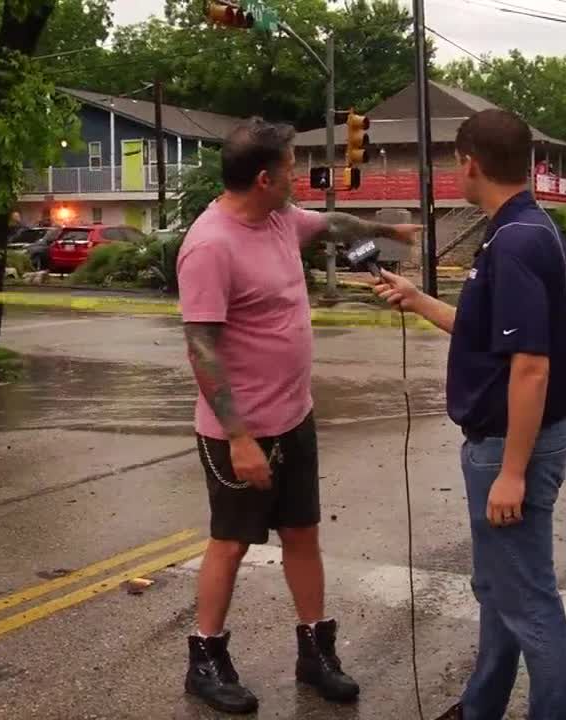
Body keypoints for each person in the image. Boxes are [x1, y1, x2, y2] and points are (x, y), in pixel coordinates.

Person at [176, 117, 419, 715]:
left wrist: (389, 230)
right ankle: (205, 659)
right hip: (240, 432)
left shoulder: (280, 218)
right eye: (289, 166)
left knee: (303, 535)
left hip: (294, 417)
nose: (297, 176)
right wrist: (238, 438)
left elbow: (332, 223)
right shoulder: (210, 245)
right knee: (231, 543)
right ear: (264, 177)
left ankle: (316, 653)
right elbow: (201, 347)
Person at [372, 109, 566, 720]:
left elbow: (532, 366)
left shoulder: (515, 242)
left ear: (470, 163)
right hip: (507, 441)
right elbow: (491, 337)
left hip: (512, 445)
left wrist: (512, 471)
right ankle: (480, 706)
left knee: (529, 600)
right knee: (498, 590)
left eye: (451, 161)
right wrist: (418, 300)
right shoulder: (523, 228)